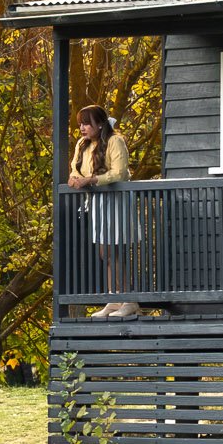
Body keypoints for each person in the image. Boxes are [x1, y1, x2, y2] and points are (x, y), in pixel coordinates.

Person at [67, 105, 136, 304]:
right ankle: (114, 300)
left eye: (87, 123)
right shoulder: (82, 144)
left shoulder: (115, 141)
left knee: (116, 251)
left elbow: (119, 173)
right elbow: (75, 169)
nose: (82, 127)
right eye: (80, 123)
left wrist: (90, 180)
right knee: (106, 252)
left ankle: (128, 301)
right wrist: (74, 179)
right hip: (97, 203)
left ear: (100, 124)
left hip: (116, 201)